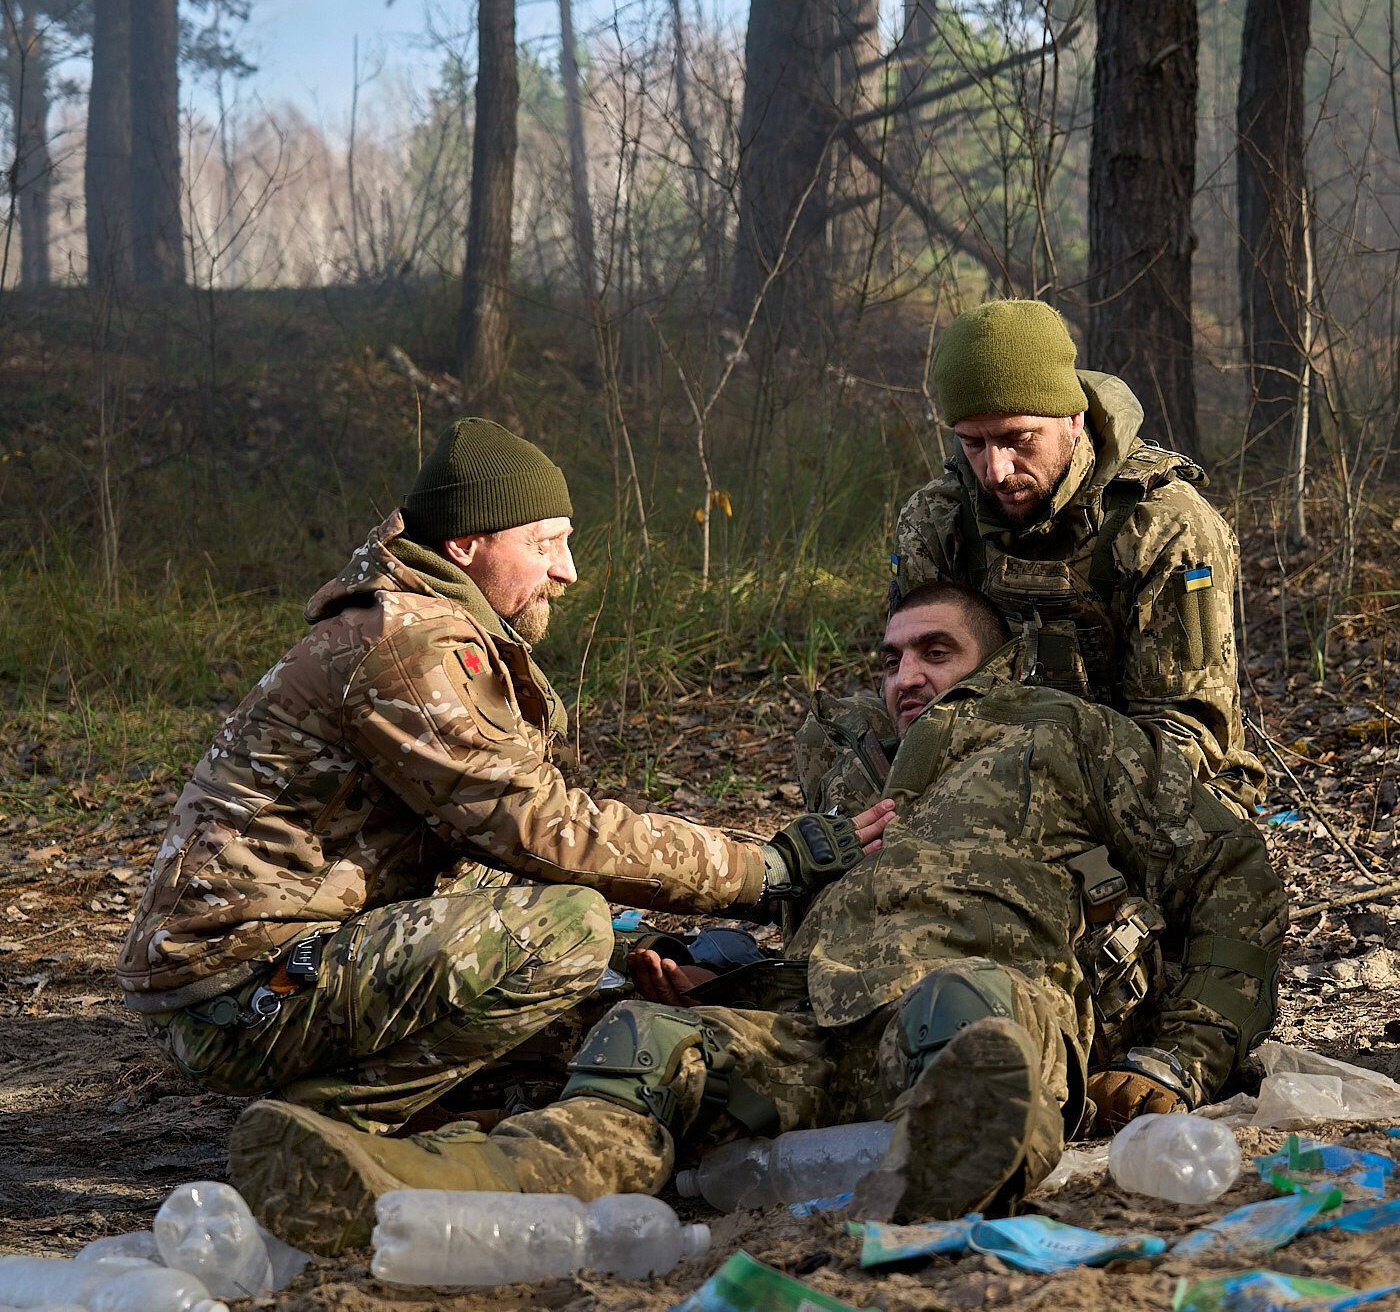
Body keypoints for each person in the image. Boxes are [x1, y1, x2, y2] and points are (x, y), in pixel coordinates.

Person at [226, 583, 1286, 1253]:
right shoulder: (843, 777)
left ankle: (947, 1171)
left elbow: (1233, 868)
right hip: (810, 1025)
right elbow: (783, 913)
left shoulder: (1061, 736)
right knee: (647, 1042)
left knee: (973, 1024)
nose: (904, 676)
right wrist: (701, 968)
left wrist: (1182, 1054)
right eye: (888, 659)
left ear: (994, 667)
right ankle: (444, 1189)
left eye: (934, 653)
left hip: (973, 1004)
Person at [119, 417, 891, 1139]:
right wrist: (766, 868)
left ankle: (425, 1099)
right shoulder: (407, 645)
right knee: (567, 934)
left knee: (587, 999)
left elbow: (492, 854)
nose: (569, 570)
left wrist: (643, 946)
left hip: (288, 953)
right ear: (465, 545)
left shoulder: (427, 623)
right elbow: (543, 827)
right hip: (238, 990)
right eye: (545, 543)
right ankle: (329, 1126)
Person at [889, 299, 1265, 814]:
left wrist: (1034, 777)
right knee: (840, 736)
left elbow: (1188, 735)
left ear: (1072, 418)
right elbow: (912, 679)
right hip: (975, 768)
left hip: (1138, 787)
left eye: (1017, 439)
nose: (995, 470)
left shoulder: (1165, 524)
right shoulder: (937, 520)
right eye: (971, 443)